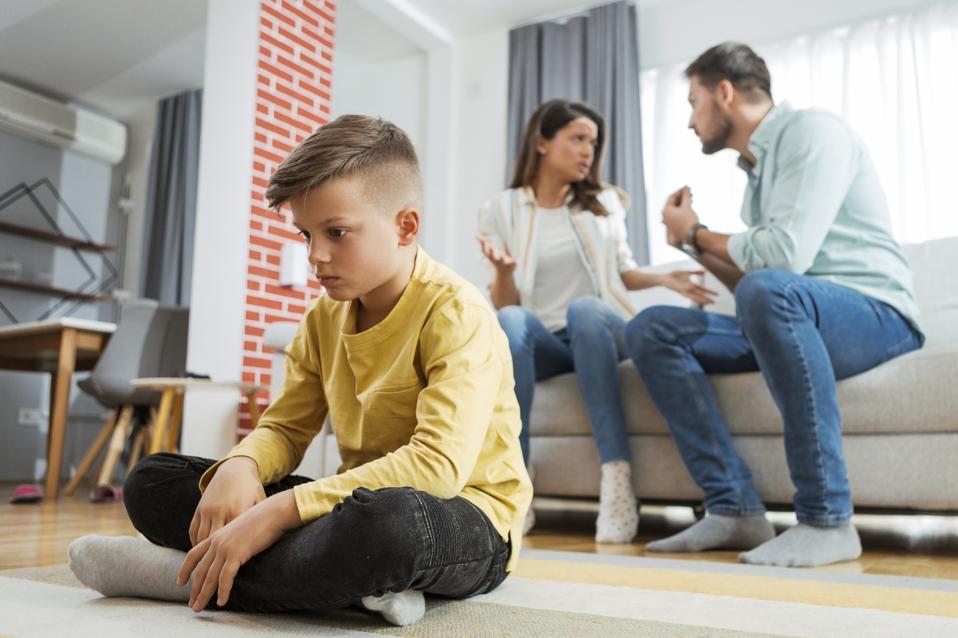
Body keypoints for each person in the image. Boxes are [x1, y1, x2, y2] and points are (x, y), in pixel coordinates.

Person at [67, 114, 532, 627]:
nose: (316, 255)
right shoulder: (322, 317)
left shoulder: (456, 312)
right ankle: (345, 586)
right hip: (354, 502)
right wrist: (241, 466)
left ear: (406, 226)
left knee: (386, 529)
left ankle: (175, 576)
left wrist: (276, 512)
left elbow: (437, 469)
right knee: (151, 481)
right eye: (306, 234)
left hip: (465, 517)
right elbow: (285, 429)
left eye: (336, 232)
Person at [625, 42, 924, 567]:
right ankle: (735, 508)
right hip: (796, 311)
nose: (691, 123)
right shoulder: (757, 177)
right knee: (653, 328)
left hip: (875, 314)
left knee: (771, 291)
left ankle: (828, 519)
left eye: (693, 103)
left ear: (724, 92)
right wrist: (691, 244)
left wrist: (697, 229)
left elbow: (782, 259)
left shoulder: (814, 132)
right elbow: (758, 288)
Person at [477, 99, 715, 543]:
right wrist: (503, 273)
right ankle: (514, 482)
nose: (589, 150)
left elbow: (623, 270)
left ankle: (617, 480)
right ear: (543, 142)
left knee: (584, 310)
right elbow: (506, 301)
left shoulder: (603, 203)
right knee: (509, 318)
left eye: (593, 141)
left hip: (599, 332)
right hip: (546, 343)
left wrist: (666, 278)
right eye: (578, 138)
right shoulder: (501, 210)